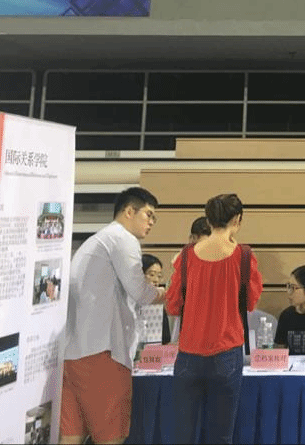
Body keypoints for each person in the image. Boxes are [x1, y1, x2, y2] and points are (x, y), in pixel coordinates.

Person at [61, 187, 166, 445]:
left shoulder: (95, 242)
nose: (152, 222)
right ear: (129, 211)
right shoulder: (123, 239)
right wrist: (168, 293)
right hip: (103, 353)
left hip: (72, 353)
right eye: (148, 215)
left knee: (71, 437)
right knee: (111, 438)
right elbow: (141, 292)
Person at [165, 193, 262, 445]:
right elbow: (250, 302)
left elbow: (173, 305)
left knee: (182, 436)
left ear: (207, 220)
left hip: (188, 354)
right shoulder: (244, 256)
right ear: (237, 220)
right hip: (227, 353)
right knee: (221, 436)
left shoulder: (186, 256)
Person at [140, 253, 172, 345]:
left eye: (159, 276)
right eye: (151, 274)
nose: (156, 280)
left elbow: (165, 338)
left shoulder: (159, 302)